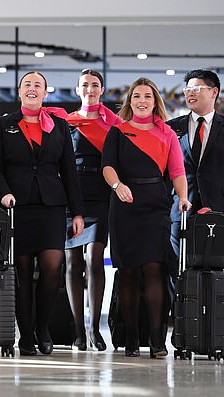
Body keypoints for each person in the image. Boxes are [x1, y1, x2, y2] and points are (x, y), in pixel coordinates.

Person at [0, 71, 84, 356]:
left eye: (37, 85)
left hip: (51, 206)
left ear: (45, 93)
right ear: (19, 92)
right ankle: (26, 335)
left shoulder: (59, 126)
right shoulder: (3, 125)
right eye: (26, 85)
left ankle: (43, 328)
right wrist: (3, 194)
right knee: (23, 272)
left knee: (53, 266)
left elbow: (68, 171)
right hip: (17, 207)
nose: (32, 89)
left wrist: (77, 212)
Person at [101, 77, 189, 358]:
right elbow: (107, 167)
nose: (141, 101)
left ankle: (157, 341)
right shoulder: (117, 131)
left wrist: (183, 198)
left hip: (156, 206)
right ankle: (130, 340)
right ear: (130, 102)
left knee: (155, 270)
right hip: (124, 206)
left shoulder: (167, 134)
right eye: (136, 96)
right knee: (128, 273)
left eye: (147, 97)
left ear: (155, 102)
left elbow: (176, 172)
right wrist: (118, 186)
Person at [64, 69, 122, 351]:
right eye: (85, 85)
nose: (90, 88)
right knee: (73, 262)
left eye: (95, 85)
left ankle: (95, 330)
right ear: (77, 90)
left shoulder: (114, 123)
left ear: (102, 90)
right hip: (70, 196)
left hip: (101, 194)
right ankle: (77, 330)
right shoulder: (66, 122)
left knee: (95, 259)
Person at [168, 70, 223, 268]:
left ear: (213, 92)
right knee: (177, 268)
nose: (190, 93)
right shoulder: (171, 129)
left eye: (196, 88)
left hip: (218, 210)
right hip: (180, 210)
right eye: (187, 89)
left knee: (216, 270)